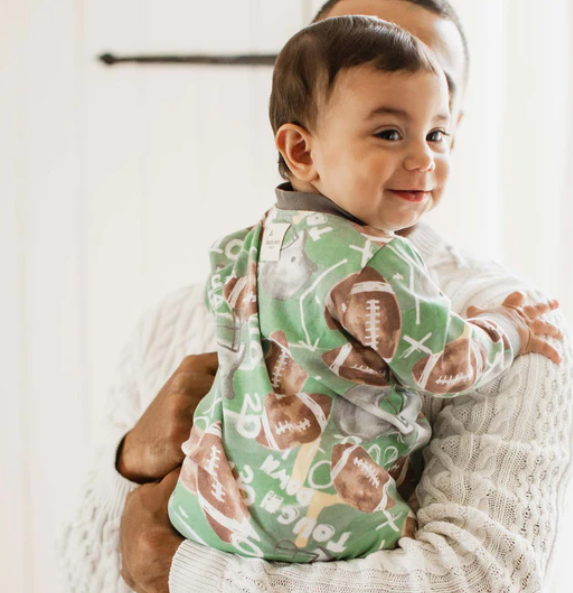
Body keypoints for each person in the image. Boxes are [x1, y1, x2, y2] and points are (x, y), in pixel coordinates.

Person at [55, 1, 572, 592]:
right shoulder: (174, 319)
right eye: (387, 127)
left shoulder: (240, 255)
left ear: (453, 119)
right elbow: (79, 577)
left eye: (435, 130)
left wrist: (185, 571)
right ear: (303, 145)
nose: (422, 154)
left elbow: (480, 579)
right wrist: (130, 461)